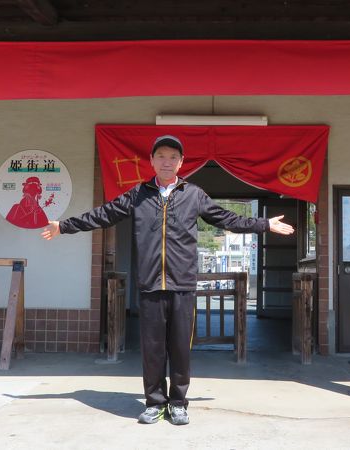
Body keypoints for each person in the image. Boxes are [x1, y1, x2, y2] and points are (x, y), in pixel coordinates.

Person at [41, 135, 294, 425]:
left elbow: (226, 219)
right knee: (152, 349)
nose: (166, 161)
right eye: (161, 156)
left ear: (181, 162)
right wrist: (64, 226)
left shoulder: (194, 194)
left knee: (179, 348)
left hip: (182, 286)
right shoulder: (138, 194)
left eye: (173, 157)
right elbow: (104, 215)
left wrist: (264, 224)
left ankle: (178, 403)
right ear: (151, 161)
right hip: (150, 285)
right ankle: (154, 402)